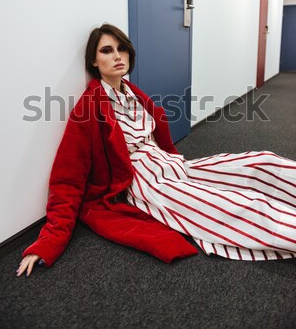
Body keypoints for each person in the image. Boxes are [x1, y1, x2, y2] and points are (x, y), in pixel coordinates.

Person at [16, 23, 296, 277]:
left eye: (122, 48)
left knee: (261, 161)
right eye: (107, 50)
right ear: (93, 60)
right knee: (229, 204)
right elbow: (68, 176)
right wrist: (49, 240)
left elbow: (162, 142)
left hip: (174, 165)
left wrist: (176, 161)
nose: (117, 56)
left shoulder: (133, 93)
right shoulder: (89, 108)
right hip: (148, 183)